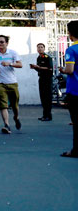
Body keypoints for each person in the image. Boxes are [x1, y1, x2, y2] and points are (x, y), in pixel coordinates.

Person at [0, 34, 23, 134]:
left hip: (12, 82)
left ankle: (16, 117)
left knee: (15, 105)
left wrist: (10, 64)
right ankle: (7, 125)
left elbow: (20, 64)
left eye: (2, 42)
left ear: (7, 43)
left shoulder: (12, 53)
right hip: (0, 83)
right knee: (3, 105)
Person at [59, 21, 78, 158]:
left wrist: (63, 70)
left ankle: (75, 150)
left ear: (71, 34)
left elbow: (70, 70)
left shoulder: (71, 50)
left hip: (75, 90)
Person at [30, 43, 54, 121]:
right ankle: (44, 115)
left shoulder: (47, 57)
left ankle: (48, 115)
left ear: (44, 49)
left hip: (47, 79)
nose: (40, 49)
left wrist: (39, 67)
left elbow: (50, 68)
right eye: (38, 47)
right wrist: (35, 68)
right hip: (41, 78)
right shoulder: (39, 58)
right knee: (43, 97)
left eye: (41, 47)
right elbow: (39, 69)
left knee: (47, 97)